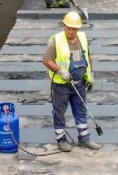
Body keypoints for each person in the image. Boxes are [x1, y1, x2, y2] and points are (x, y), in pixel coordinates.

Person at [42, 10, 99, 151]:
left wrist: (90, 75)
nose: (71, 31)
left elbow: (87, 57)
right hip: (62, 85)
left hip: (79, 84)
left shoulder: (82, 39)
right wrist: (60, 71)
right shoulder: (56, 40)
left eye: (74, 28)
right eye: (68, 28)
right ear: (64, 25)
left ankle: (84, 138)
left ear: (78, 28)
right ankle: (61, 139)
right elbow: (47, 60)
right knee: (59, 111)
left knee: (81, 111)